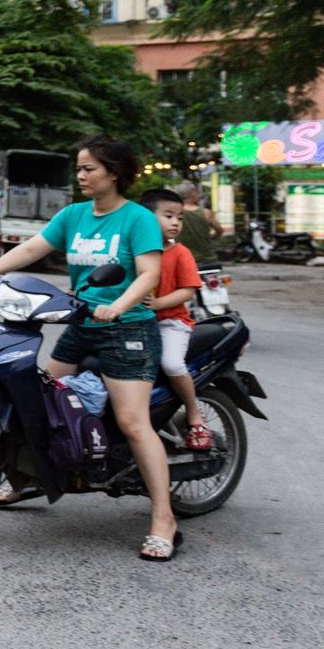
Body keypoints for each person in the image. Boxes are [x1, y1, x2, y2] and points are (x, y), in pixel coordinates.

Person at [0, 136, 177, 561]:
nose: (81, 176)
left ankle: (163, 518)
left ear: (114, 172)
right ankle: (29, 477)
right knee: (34, 399)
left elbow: (149, 274)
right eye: (78, 168)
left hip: (126, 330)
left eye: (89, 168)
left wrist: (117, 306)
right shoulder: (74, 214)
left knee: (133, 423)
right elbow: (33, 248)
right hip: (81, 324)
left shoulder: (137, 219)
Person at [141, 189, 212, 452]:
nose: (175, 223)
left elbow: (188, 290)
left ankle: (194, 414)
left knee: (171, 363)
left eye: (179, 218)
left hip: (172, 322)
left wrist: (159, 303)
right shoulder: (136, 249)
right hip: (138, 324)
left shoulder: (181, 253)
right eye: (168, 216)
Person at [176, 182, 216, 263]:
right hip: (207, 259)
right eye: (197, 192)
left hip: (183, 260)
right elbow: (219, 230)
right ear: (193, 194)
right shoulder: (206, 213)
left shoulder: (175, 213)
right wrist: (210, 236)